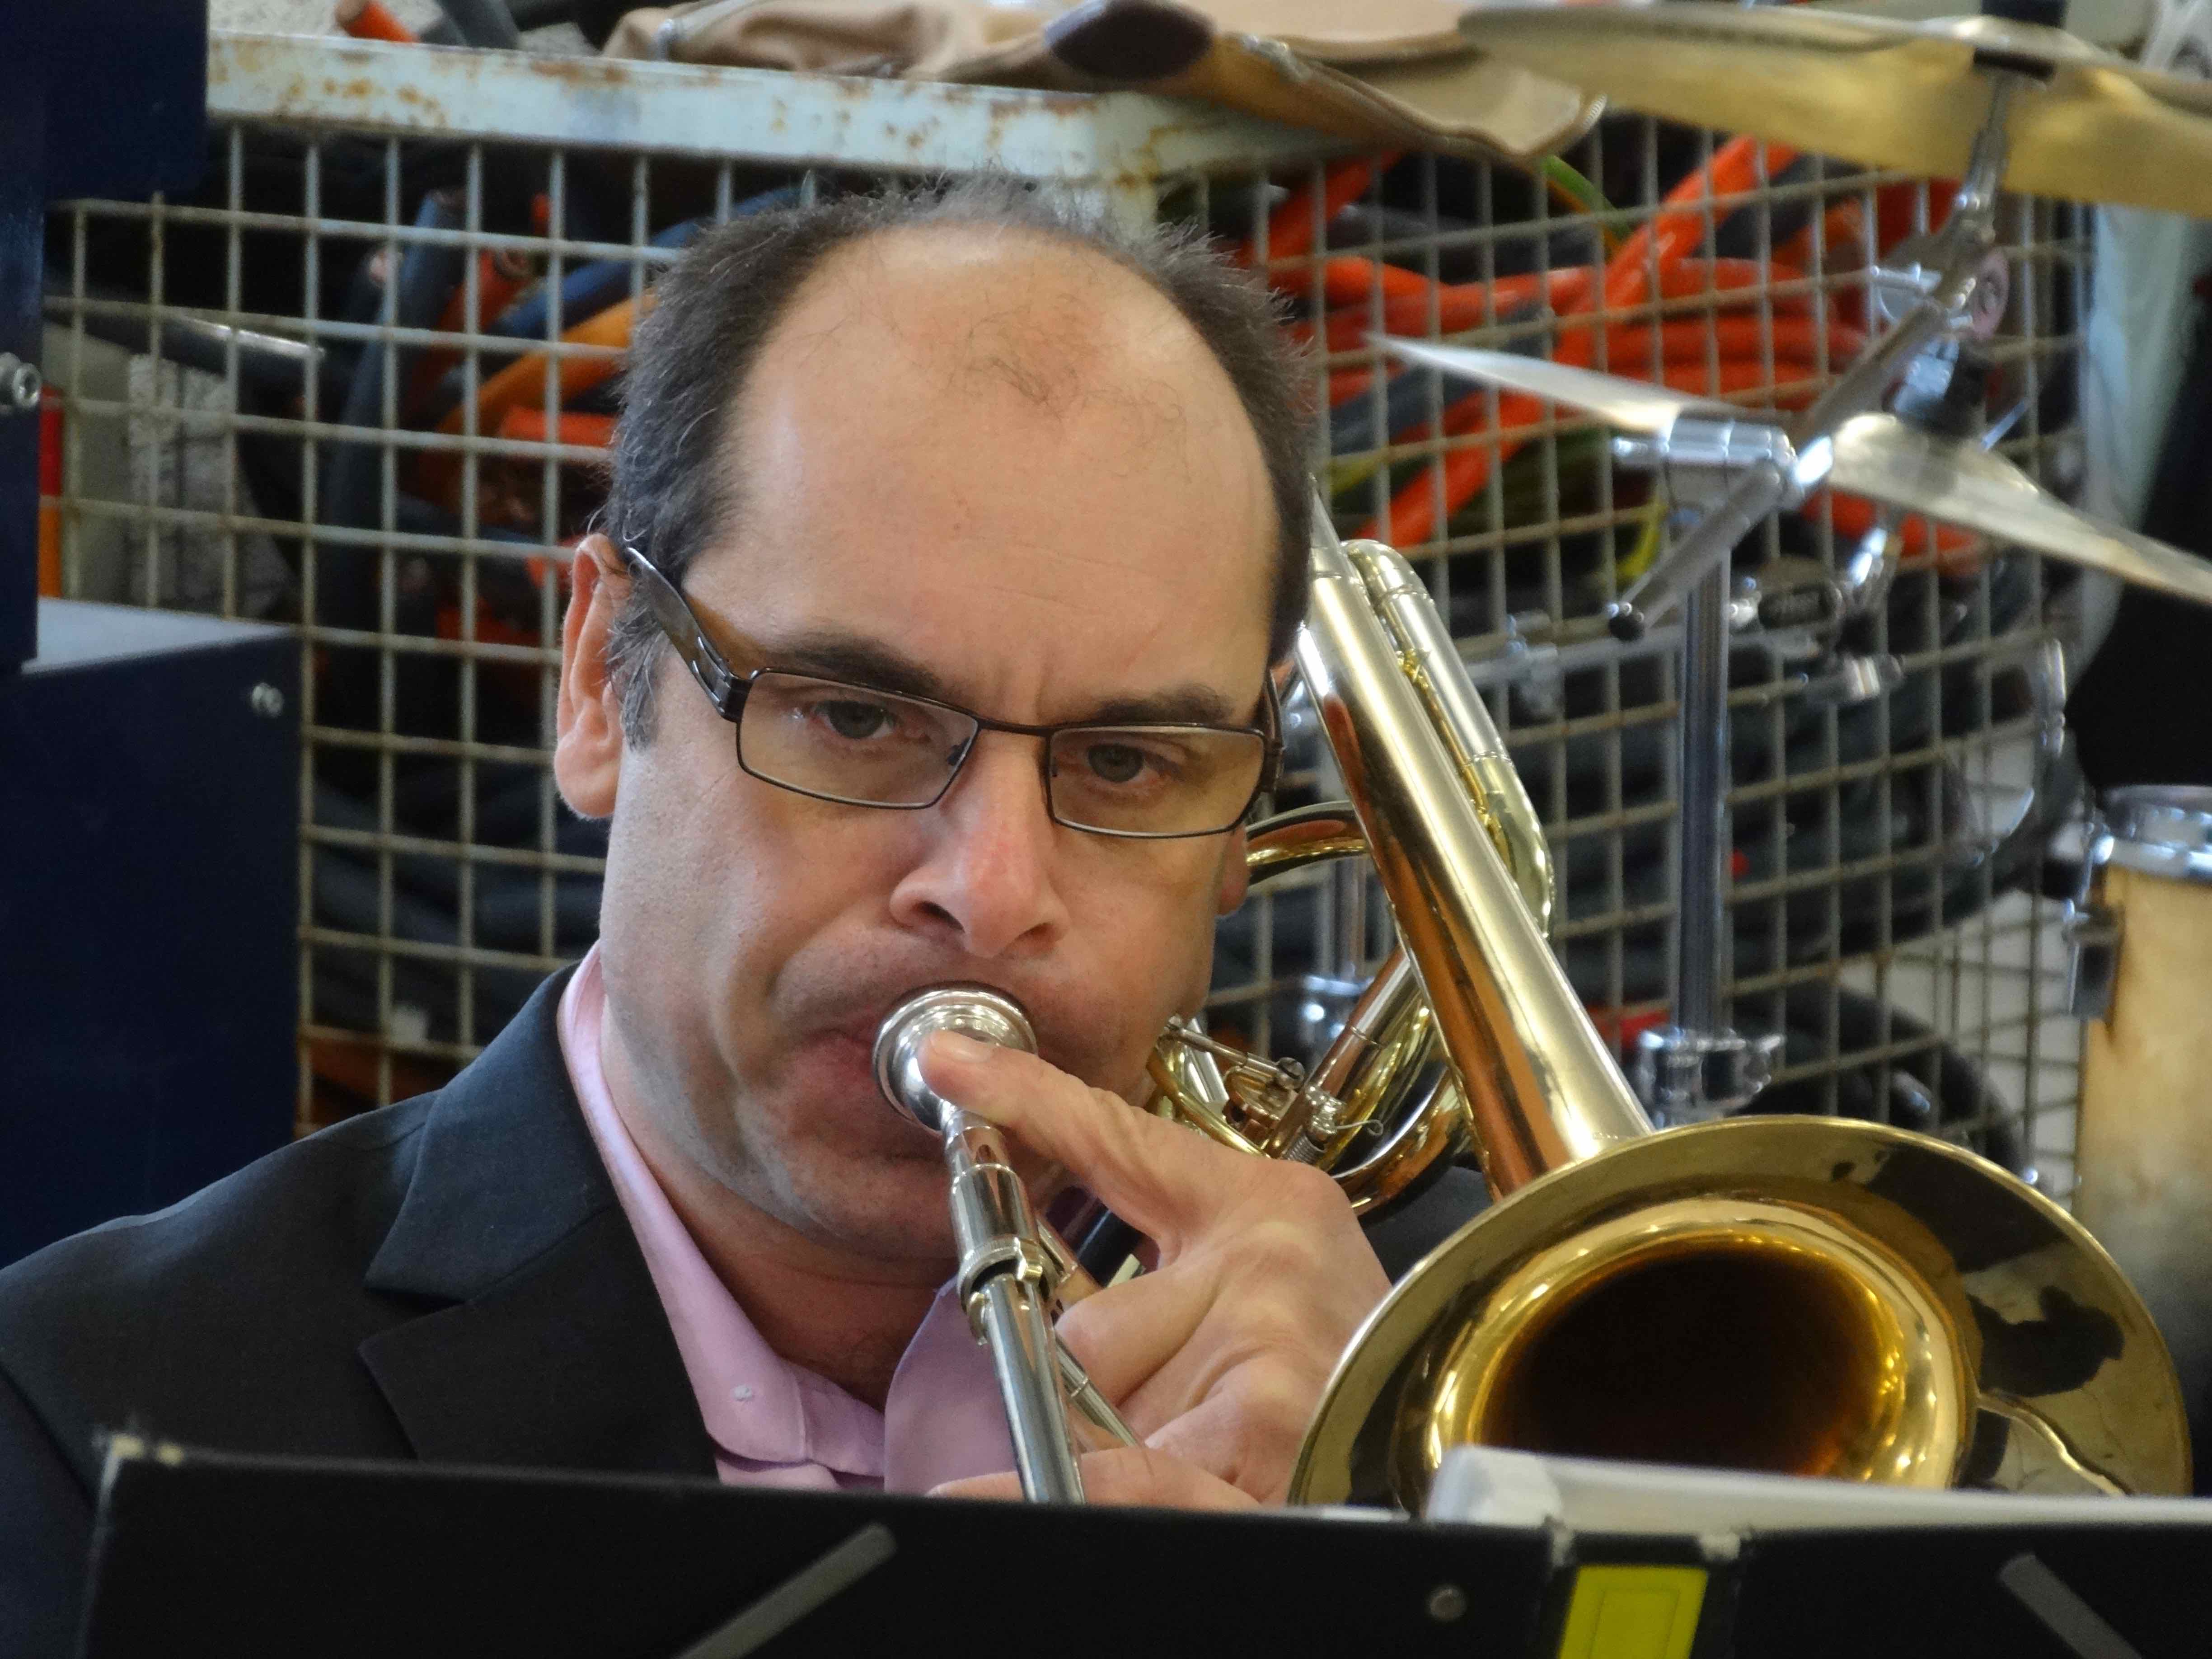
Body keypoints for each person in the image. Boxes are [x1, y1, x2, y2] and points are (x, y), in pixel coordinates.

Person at [0, 180, 1480, 1652]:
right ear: (600, 682)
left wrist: (1398, 1564)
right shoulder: (85, 1416)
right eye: (857, 716)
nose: (993, 893)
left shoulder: (1466, 1371)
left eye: (1126, 761)